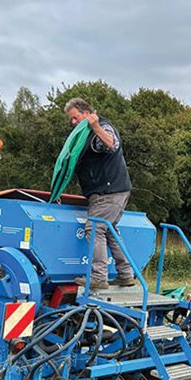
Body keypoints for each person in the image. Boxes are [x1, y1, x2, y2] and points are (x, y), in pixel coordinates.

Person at [65, 97, 135, 291]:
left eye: (75, 118)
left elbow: (111, 144)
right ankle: (126, 275)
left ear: (87, 113)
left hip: (108, 191)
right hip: (112, 190)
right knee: (110, 232)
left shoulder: (101, 128)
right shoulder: (86, 135)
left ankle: (98, 277)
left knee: (94, 229)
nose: (73, 122)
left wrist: (95, 126)